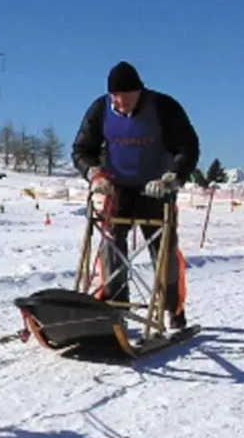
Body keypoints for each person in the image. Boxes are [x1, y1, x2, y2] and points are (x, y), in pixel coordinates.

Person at [71, 61, 200, 329]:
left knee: (163, 253)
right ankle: (115, 308)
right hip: (118, 189)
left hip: (157, 189)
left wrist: (173, 176)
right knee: (111, 247)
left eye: (126, 98)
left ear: (139, 91)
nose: (120, 104)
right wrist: (94, 174)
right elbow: (82, 149)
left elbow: (187, 147)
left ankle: (173, 312)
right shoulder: (100, 109)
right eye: (115, 99)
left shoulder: (164, 107)